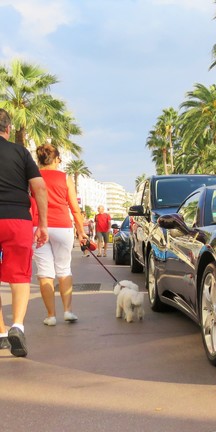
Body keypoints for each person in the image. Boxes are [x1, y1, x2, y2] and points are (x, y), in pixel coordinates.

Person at [0, 108, 48, 357]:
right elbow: (39, 188)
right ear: (8, 129)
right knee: (19, 275)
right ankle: (17, 325)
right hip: (17, 218)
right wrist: (42, 224)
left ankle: (0, 331)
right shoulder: (20, 152)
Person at [32, 144, 87, 326]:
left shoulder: (32, 177)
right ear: (56, 159)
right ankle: (68, 311)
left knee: (45, 273)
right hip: (63, 227)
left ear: (39, 159)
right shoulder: (65, 178)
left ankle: (50, 315)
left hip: (38, 227)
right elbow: (75, 209)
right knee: (64, 269)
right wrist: (81, 232)